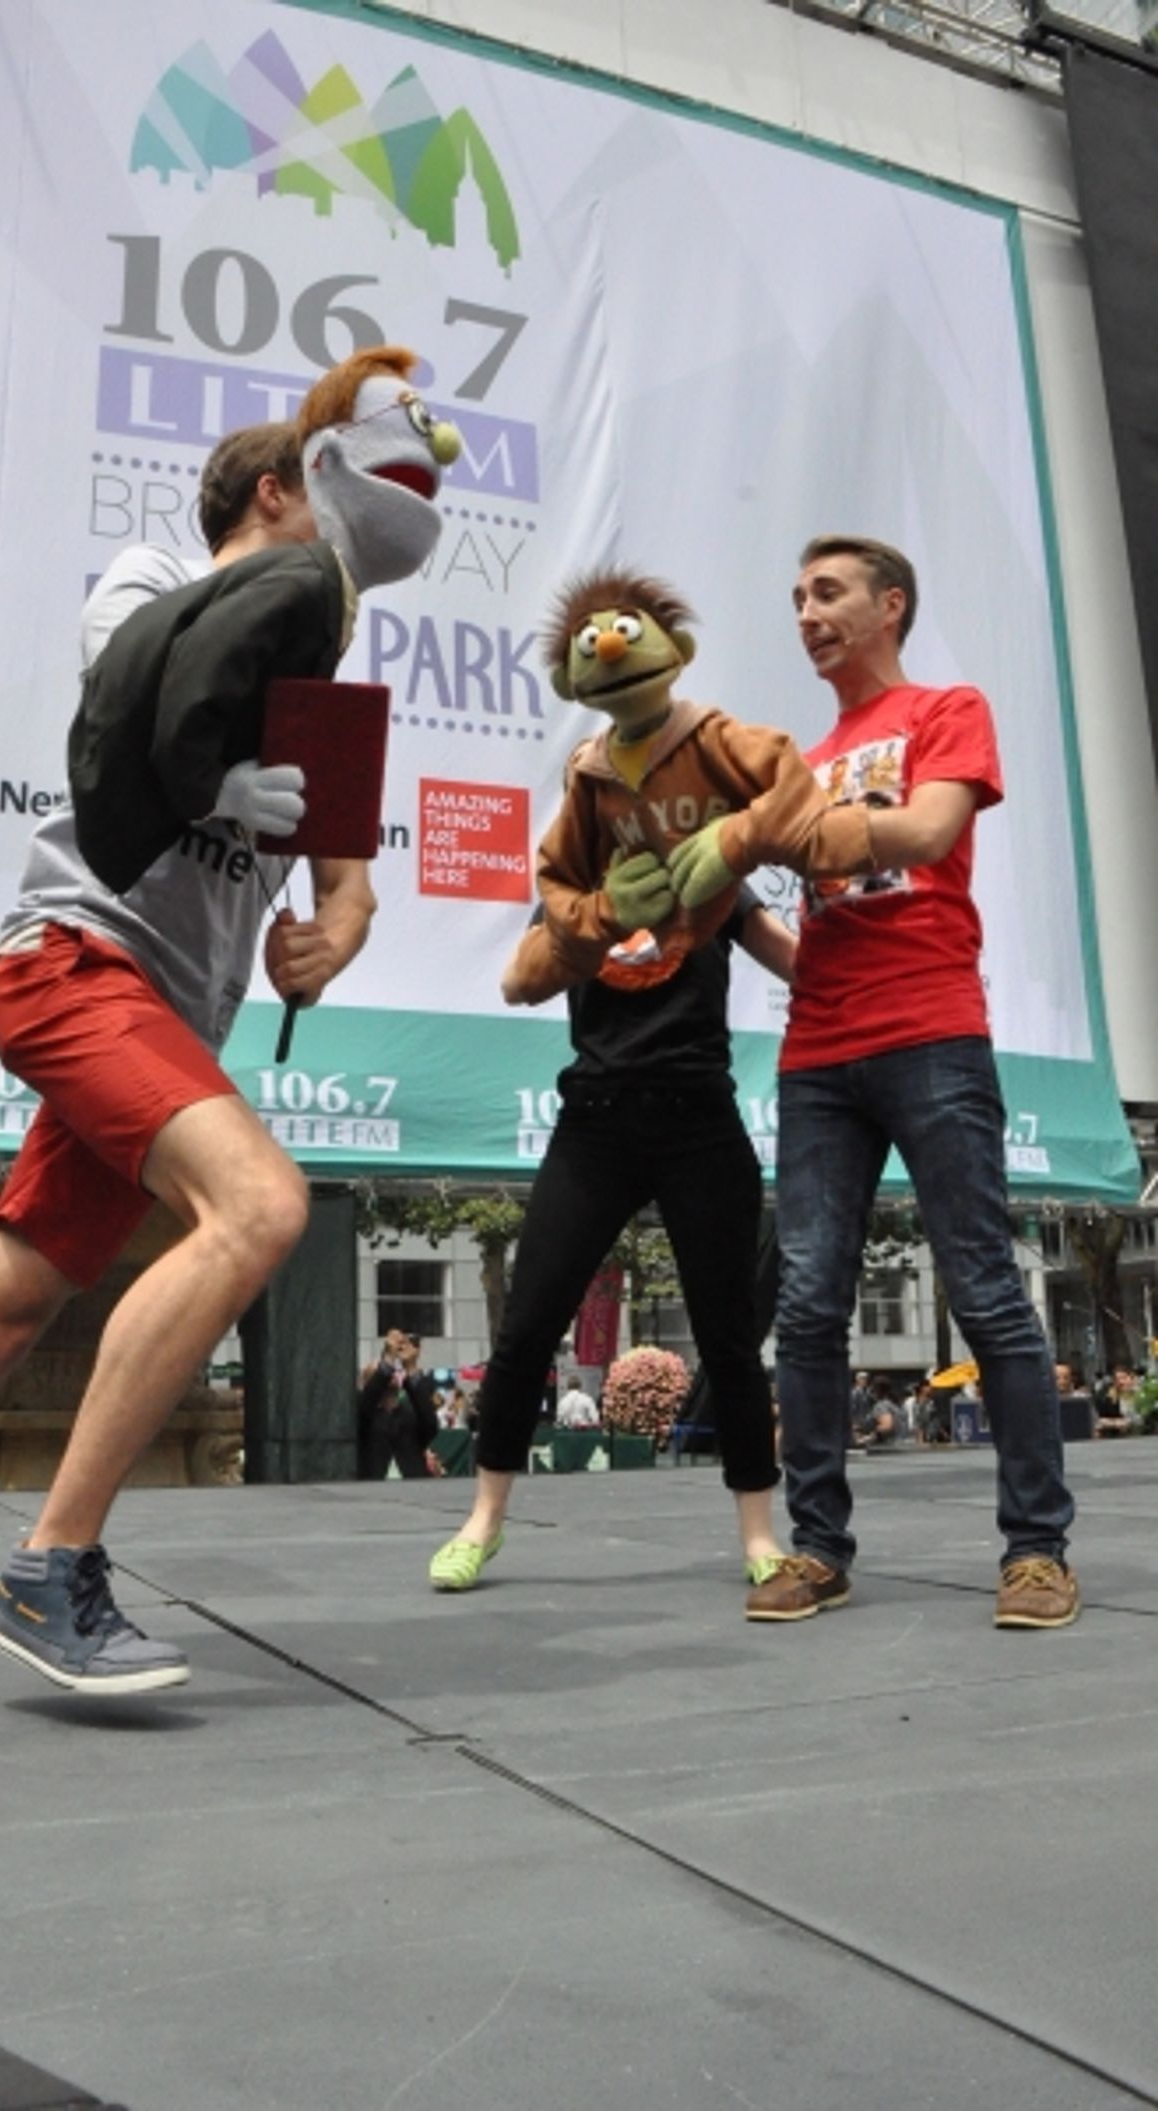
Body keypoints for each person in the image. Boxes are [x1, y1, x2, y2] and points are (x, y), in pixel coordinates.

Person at [0, 352, 460, 1688]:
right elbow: (140, 691)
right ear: (280, 490)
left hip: (162, 1019)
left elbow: (346, 869)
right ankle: (50, 1569)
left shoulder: (323, 660)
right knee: (258, 1208)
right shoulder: (150, 583)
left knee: (1, 1313)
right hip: (78, 965)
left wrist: (338, 929)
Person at [670, 535, 1076, 1626]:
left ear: (888, 604)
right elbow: (808, 936)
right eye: (795, 595)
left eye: (827, 591)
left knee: (985, 1289)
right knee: (804, 1308)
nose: (804, 610)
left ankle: (1034, 1551)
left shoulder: (945, 708)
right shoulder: (801, 761)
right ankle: (817, 1546)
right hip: (817, 1051)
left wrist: (791, 829)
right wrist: (716, 894)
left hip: (932, 1034)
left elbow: (930, 826)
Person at [425, 568, 842, 1594]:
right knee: (526, 1326)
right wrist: (594, 917)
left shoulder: (719, 880)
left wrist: (854, 942)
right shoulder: (581, 884)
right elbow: (520, 977)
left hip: (698, 1115)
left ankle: (755, 1529)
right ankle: (483, 1517)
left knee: (724, 1334)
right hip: (596, 1119)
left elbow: (796, 956)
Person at [357, 1331, 441, 1479]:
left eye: (392, 1371)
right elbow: (367, 1401)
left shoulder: (411, 1413)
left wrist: (411, 1367)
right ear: (367, 1383)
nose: (390, 1374)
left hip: (415, 1489)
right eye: (377, 1372)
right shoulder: (364, 1415)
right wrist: (388, 1359)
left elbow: (430, 1423)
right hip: (373, 1491)